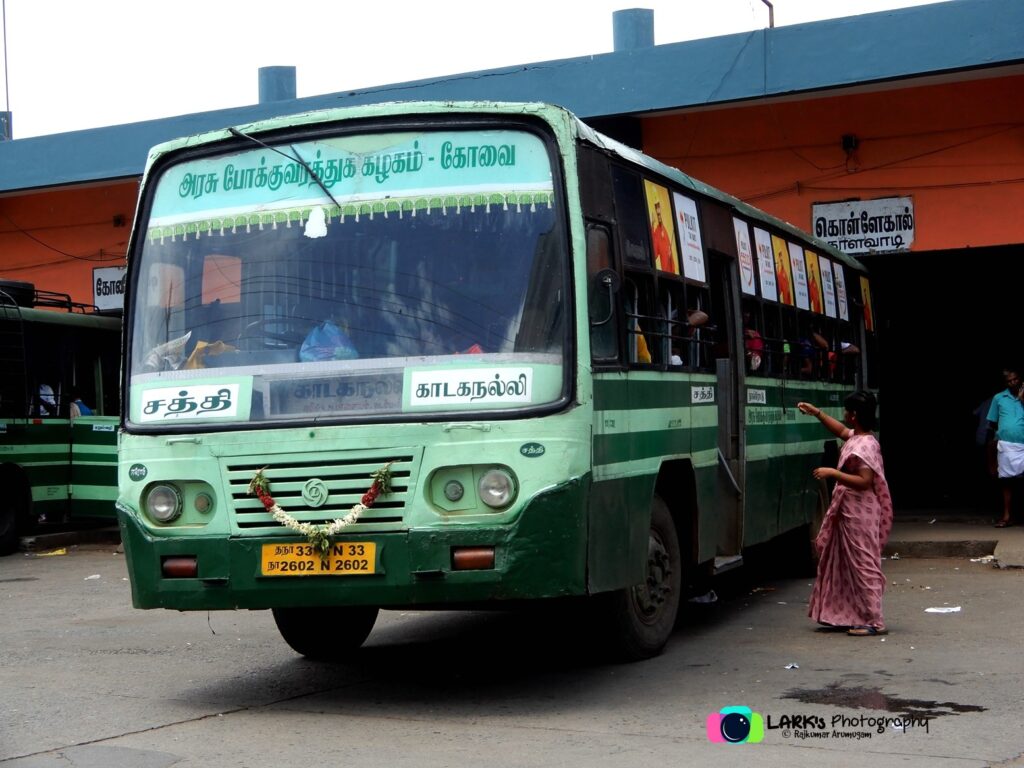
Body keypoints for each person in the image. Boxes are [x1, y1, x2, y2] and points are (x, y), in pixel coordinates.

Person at [796, 391, 893, 636]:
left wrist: (833, 474)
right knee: (845, 563)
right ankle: (847, 614)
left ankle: (874, 621)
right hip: (849, 510)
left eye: (847, 411)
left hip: (860, 512)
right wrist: (817, 413)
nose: (844, 415)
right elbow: (840, 431)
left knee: (863, 565)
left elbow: (864, 481)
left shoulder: (866, 445)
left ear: (854, 416)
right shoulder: (858, 437)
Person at [986, 368, 1024, 527]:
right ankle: (1007, 516)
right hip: (1006, 445)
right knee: (1007, 482)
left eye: (1015, 379)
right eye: (1009, 381)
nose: (1013, 383)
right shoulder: (999, 398)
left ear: (1020, 379)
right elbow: (992, 423)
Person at [650, 201, 675, 273]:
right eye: (658, 215)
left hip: (669, 262)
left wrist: (670, 256)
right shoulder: (657, 231)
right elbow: (654, 252)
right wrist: (652, 224)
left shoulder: (664, 229)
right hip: (665, 264)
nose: (659, 217)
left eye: (660, 214)